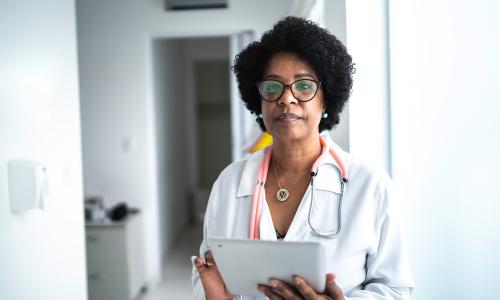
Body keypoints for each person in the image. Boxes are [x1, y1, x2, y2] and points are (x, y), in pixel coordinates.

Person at [192, 16, 414, 299]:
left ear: (326, 99)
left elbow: (395, 290)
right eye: (272, 87)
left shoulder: (371, 186)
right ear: (258, 101)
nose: (286, 99)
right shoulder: (229, 182)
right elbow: (206, 273)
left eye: (304, 86)